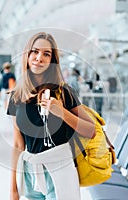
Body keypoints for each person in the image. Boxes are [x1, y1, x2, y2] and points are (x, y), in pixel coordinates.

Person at [7, 32, 95, 200]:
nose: (39, 58)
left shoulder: (63, 92)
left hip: (61, 172)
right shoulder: (16, 96)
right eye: (35, 51)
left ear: (52, 61)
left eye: (46, 54)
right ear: (27, 54)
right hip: (31, 174)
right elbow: (18, 145)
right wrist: (13, 189)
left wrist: (62, 112)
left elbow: (90, 130)